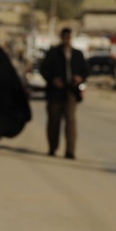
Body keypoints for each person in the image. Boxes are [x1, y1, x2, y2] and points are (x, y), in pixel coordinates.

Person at [40, 27, 87, 159]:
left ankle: (70, 151)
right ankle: (52, 147)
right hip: (55, 93)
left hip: (71, 91)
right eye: (64, 37)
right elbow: (44, 69)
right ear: (61, 38)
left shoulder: (77, 54)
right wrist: (53, 80)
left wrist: (80, 78)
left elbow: (85, 70)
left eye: (68, 37)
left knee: (70, 121)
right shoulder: (53, 53)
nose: (66, 40)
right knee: (54, 121)